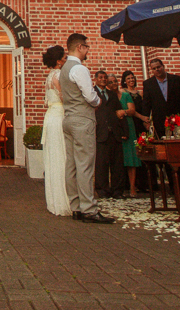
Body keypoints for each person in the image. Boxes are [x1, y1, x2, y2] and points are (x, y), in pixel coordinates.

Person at [59, 33, 112, 223]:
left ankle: (76, 207)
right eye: (87, 47)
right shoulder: (79, 69)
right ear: (80, 47)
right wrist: (98, 101)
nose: (88, 50)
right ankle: (89, 209)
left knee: (71, 165)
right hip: (82, 120)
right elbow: (90, 96)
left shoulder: (64, 68)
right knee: (85, 165)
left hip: (68, 119)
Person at [41, 44, 71, 216]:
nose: (66, 60)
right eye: (65, 58)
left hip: (51, 116)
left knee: (55, 156)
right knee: (62, 156)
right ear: (59, 60)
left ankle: (55, 200)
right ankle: (64, 199)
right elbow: (64, 97)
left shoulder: (49, 75)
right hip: (59, 115)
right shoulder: (59, 75)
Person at [93, 70, 127, 199]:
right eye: (101, 77)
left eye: (105, 78)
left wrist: (124, 131)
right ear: (96, 79)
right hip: (100, 133)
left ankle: (117, 191)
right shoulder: (92, 93)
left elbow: (119, 112)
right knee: (101, 164)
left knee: (117, 163)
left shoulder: (112, 94)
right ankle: (102, 190)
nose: (103, 79)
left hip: (114, 133)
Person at [139, 57, 180, 138]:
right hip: (160, 121)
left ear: (163, 66)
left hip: (178, 120)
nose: (157, 69)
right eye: (154, 68)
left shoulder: (177, 80)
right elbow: (146, 103)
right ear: (152, 70)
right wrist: (145, 120)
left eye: (158, 67)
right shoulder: (148, 84)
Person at [119, 70, 145, 197]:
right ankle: (126, 185)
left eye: (132, 78)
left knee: (139, 153)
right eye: (128, 78)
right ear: (124, 81)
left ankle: (139, 184)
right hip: (129, 122)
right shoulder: (123, 93)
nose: (131, 80)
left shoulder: (140, 92)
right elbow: (131, 111)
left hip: (138, 125)